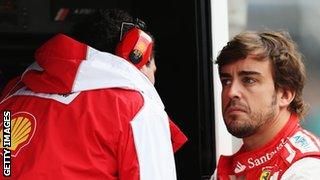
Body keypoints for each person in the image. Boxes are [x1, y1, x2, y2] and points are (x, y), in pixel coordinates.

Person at [0, 9, 187, 179]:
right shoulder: (137, 108)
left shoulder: (13, 92)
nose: (152, 83)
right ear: (138, 58)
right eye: (153, 71)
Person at [212, 31, 320, 179]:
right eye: (226, 81)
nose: (231, 92)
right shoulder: (230, 170)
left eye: (249, 80)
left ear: (285, 95)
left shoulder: (307, 170)